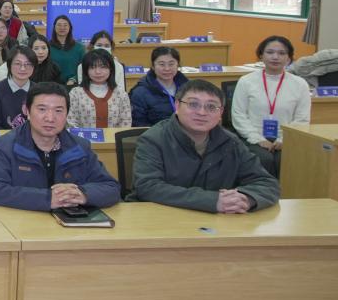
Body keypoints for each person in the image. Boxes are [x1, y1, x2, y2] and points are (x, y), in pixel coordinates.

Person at [132, 80, 279, 213]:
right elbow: (147, 187)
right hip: (164, 217)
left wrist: (246, 199)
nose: (202, 112)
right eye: (193, 104)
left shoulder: (230, 142)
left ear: (221, 113)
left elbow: (267, 183)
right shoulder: (153, 139)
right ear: (177, 106)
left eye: (211, 107)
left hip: (219, 222)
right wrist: (212, 201)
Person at [0, 83, 121, 211]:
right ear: (27, 111)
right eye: (42, 109)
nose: (50, 118)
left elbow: (111, 187)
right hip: (21, 224)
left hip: (71, 225)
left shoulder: (80, 147)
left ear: (67, 114)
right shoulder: (3, 147)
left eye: (58, 111)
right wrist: (47, 199)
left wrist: (82, 194)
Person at [230, 35, 311, 177]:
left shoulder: (300, 84)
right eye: (270, 52)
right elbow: (238, 114)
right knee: (264, 158)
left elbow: (302, 119)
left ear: (289, 58)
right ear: (261, 55)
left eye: (281, 53)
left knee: (286, 158)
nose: (275, 57)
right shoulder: (246, 81)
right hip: (253, 137)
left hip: (287, 137)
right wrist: (257, 139)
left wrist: (283, 139)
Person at [68, 49, 133, 128]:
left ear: (111, 69)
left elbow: (126, 122)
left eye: (103, 67)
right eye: (92, 67)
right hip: (82, 136)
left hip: (114, 136)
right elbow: (71, 122)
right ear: (86, 70)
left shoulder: (121, 94)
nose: (98, 72)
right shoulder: (75, 93)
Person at [130, 46, 188, 127]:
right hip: (156, 134)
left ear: (177, 65)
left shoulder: (188, 88)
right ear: (153, 66)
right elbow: (138, 124)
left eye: (171, 64)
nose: (167, 68)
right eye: (162, 64)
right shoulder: (140, 92)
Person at [0, 46, 37, 130]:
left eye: (28, 64)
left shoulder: (38, 91)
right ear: (9, 65)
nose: (23, 68)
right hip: (4, 137)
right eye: (17, 64)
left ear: (33, 67)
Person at [47, 15, 85, 85]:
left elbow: (85, 67)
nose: (62, 28)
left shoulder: (79, 48)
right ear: (54, 27)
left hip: (73, 84)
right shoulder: (47, 47)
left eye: (65, 25)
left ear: (70, 28)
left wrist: (74, 79)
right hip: (51, 85)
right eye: (59, 25)